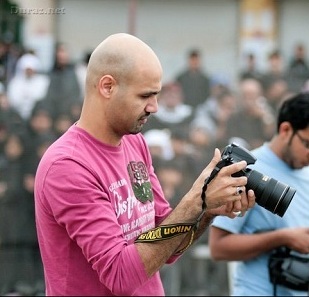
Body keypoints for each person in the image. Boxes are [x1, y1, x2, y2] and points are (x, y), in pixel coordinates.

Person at [34, 33, 255, 296]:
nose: (155, 107)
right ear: (107, 86)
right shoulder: (67, 166)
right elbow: (120, 276)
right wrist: (197, 200)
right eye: (145, 95)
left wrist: (207, 211)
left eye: (157, 94)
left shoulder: (135, 144)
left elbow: (167, 243)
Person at [209, 92, 309, 296]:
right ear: (286, 129)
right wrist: (282, 238)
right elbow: (218, 248)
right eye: (308, 144)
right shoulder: (246, 170)